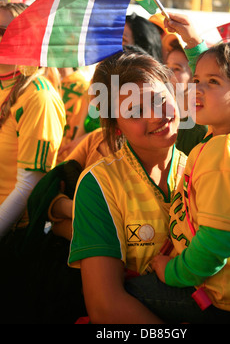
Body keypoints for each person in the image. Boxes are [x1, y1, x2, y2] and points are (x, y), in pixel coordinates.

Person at [125, 13, 230, 324]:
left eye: (210, 83)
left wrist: (170, 271)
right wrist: (194, 43)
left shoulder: (222, 156)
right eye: (196, 80)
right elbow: (222, 87)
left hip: (223, 297)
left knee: (124, 293)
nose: (196, 89)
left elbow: (216, 245)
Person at [68, 49, 188, 324]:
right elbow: (105, 306)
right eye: (135, 111)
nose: (157, 116)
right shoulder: (99, 184)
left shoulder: (201, 167)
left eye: (160, 99)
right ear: (116, 126)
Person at [0, 1, 66, 243]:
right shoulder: (0, 87)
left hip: (11, 236)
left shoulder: (38, 97)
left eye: (3, 32)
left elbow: (28, 186)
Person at [166, 43, 207, 155]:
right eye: (167, 67)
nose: (168, 74)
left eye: (177, 69)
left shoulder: (201, 126)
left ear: (194, 75)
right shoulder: (161, 117)